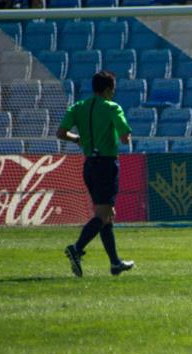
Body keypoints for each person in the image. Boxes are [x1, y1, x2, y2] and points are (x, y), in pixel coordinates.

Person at [57, 71, 135, 277]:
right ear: (109, 89)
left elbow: (61, 132)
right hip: (106, 165)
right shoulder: (112, 108)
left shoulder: (79, 107)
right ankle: (76, 248)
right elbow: (125, 136)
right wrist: (124, 137)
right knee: (103, 215)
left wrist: (77, 139)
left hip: (89, 166)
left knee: (108, 215)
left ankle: (115, 263)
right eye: (113, 90)